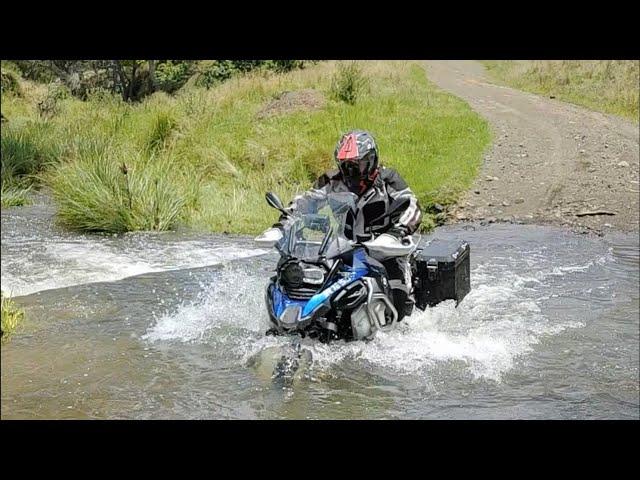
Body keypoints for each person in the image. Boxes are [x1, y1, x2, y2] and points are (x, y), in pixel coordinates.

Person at [272, 129, 422, 318]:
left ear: (371, 160)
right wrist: (283, 223)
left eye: (356, 166)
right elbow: (304, 202)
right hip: (344, 247)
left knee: (398, 293)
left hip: (383, 248)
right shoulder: (332, 180)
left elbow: (412, 206)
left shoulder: (388, 180)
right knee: (312, 279)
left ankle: (402, 328)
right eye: (345, 166)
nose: (350, 172)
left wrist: (398, 231)